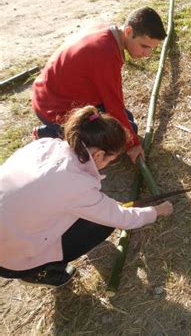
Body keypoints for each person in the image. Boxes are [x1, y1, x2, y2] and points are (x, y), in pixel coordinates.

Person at [0, 106, 173, 288]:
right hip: (9, 259)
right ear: (98, 154)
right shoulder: (75, 184)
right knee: (101, 224)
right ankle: (38, 270)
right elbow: (121, 218)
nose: (106, 165)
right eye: (109, 160)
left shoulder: (44, 145)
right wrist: (156, 211)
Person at [31, 6, 167, 164]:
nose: (147, 54)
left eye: (152, 49)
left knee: (126, 122)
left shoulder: (107, 33)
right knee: (118, 138)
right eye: (144, 46)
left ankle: (59, 131)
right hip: (54, 109)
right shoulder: (105, 54)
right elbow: (114, 105)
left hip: (53, 94)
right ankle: (52, 134)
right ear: (128, 31)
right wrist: (133, 144)